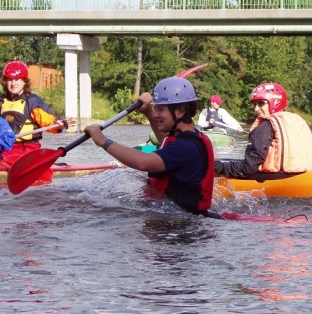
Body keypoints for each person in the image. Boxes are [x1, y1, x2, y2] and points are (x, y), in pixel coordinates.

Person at [84, 77, 219, 217]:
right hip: (175, 217)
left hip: (181, 226)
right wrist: (148, 112)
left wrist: (103, 141)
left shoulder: (186, 147)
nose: (156, 114)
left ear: (180, 111)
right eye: (155, 109)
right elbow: (166, 144)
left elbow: (144, 162)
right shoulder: (186, 139)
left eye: (160, 109)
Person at [214, 83, 312, 179]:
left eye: (261, 103)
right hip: (303, 174)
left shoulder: (266, 125)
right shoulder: (298, 120)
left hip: (277, 177)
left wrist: (217, 168)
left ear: (275, 102)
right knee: (222, 162)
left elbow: (247, 168)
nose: (256, 109)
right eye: (254, 104)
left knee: (213, 164)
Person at [0, 61, 68, 178]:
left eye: (17, 80)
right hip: (4, 147)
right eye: (10, 80)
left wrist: (58, 124)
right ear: (5, 82)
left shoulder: (32, 101)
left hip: (27, 149)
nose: (13, 83)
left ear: (24, 82)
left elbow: (47, 121)